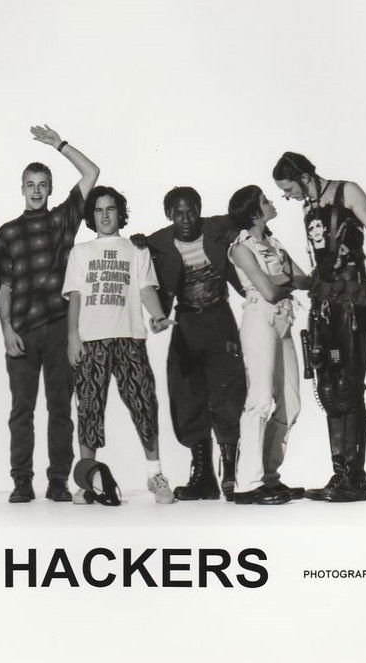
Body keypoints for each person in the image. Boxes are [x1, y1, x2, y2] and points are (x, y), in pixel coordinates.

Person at [272, 152, 366, 501]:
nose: (288, 197)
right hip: (324, 303)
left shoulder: (347, 192)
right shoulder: (308, 207)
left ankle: (354, 479)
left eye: (289, 188)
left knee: (347, 384)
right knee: (327, 387)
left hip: (352, 300)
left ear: (304, 176)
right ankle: (340, 475)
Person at [0, 124, 99, 503]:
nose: (36, 191)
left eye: (42, 185)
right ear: (22, 189)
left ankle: (58, 480)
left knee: (60, 409)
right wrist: (7, 329)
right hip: (22, 330)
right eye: (30, 184)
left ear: (50, 189)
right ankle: (22, 481)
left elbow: (92, 173)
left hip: (58, 326)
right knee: (21, 411)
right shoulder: (7, 232)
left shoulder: (62, 220)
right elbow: (4, 287)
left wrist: (60, 144)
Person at [63, 186, 174, 505]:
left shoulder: (136, 249)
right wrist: (72, 336)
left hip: (129, 339)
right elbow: (75, 297)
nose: (105, 215)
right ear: (91, 216)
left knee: (144, 404)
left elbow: (146, 290)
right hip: (91, 341)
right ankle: (87, 480)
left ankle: (155, 475)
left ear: (119, 212)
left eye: (110, 209)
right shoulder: (80, 252)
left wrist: (158, 316)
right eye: (98, 210)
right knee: (89, 409)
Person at [133, 187, 245, 501]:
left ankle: (231, 474)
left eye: (191, 211)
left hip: (220, 320)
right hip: (186, 323)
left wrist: (247, 232)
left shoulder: (218, 226)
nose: (186, 219)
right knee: (186, 396)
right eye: (179, 213)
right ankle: (203, 476)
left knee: (227, 394)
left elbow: (248, 218)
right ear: (169, 215)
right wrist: (138, 242)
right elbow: (139, 258)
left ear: (199, 209)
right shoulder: (159, 241)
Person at [227, 186, 310, 505]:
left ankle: (269, 477)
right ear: (253, 212)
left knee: (291, 402)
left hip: (284, 318)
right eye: (265, 200)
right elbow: (268, 291)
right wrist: (284, 281)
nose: (272, 202)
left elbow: (304, 280)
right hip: (259, 317)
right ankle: (247, 484)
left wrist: (280, 280)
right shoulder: (240, 248)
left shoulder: (274, 244)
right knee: (260, 399)